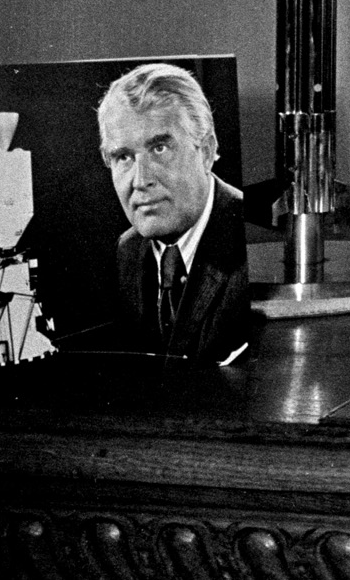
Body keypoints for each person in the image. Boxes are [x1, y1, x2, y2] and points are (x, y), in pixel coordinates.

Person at [99, 63, 253, 363]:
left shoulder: (248, 247)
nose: (141, 180)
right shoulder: (128, 250)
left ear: (206, 151)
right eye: (124, 157)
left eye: (159, 149)